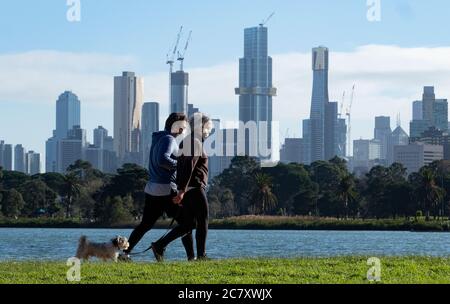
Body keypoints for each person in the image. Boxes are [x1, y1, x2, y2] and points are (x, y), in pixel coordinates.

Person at [120, 113, 194, 261]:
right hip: (166, 189)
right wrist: (180, 165)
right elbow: (162, 160)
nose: (183, 130)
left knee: (145, 225)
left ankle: (124, 253)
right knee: (187, 223)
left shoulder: (159, 138)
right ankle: (185, 255)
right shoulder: (169, 139)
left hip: (153, 188)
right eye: (182, 127)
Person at [151, 113, 212, 262]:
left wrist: (181, 188)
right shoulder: (195, 142)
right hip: (194, 188)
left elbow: (180, 166)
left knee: (188, 224)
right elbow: (189, 167)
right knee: (202, 220)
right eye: (208, 127)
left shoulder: (187, 141)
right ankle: (201, 256)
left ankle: (161, 245)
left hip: (188, 188)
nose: (209, 131)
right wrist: (182, 190)